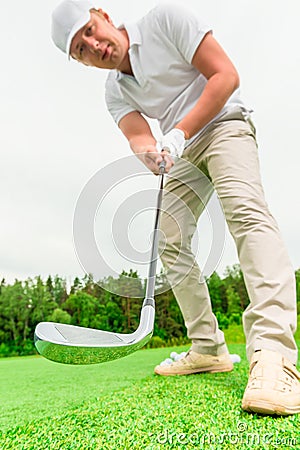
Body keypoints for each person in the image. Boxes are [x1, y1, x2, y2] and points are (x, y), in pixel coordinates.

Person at [51, 0, 300, 415]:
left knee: (245, 212)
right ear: (80, 61)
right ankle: (207, 347)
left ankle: (275, 354)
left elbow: (226, 75)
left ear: (103, 16)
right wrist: (151, 154)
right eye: (81, 48)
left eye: (90, 31)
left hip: (224, 124)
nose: (94, 46)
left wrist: (180, 131)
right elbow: (138, 136)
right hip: (180, 152)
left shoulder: (166, 19)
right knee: (167, 237)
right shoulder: (114, 90)